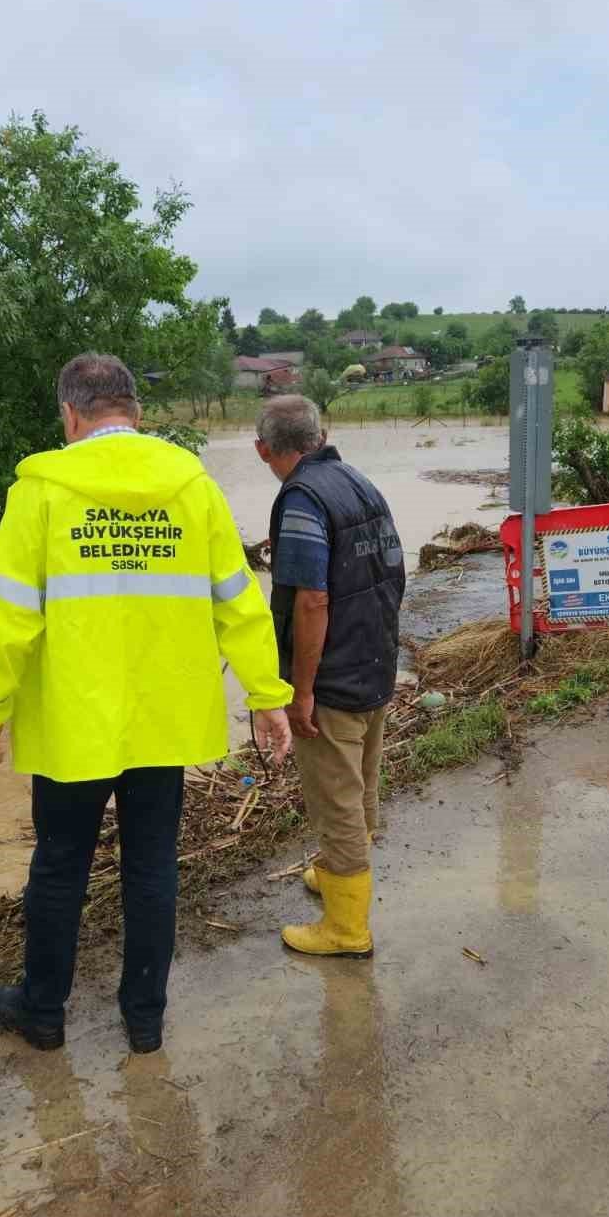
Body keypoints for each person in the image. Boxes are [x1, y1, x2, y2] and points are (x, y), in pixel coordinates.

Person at [0, 353, 292, 1055]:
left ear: (70, 415)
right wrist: (268, 698)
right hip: (162, 719)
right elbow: (239, 603)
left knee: (59, 865)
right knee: (151, 867)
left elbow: (13, 616)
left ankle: (43, 1012)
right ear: (137, 414)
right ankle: (144, 1019)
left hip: (73, 721)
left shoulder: (41, 492)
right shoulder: (192, 488)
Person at [255, 396, 405, 958]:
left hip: (334, 677)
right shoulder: (357, 480)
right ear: (322, 435)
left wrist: (301, 689)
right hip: (375, 659)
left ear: (263, 449)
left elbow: (312, 601)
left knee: (336, 798)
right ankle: (339, 876)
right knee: (362, 781)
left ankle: (346, 930)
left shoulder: (300, 498)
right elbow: (394, 569)